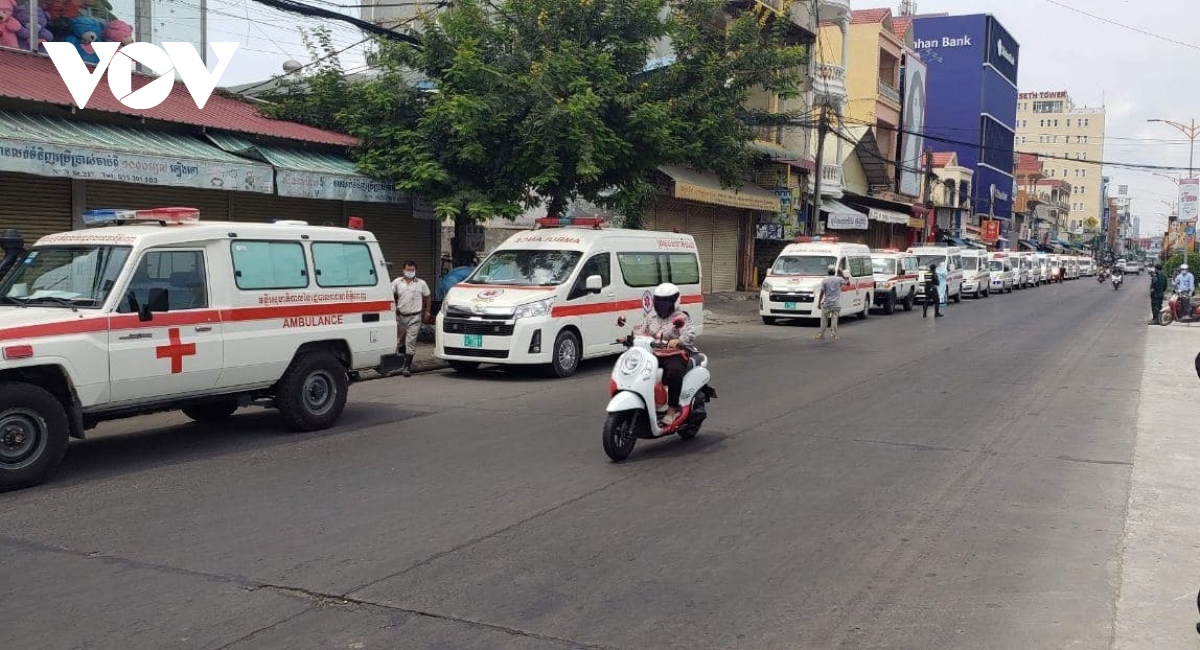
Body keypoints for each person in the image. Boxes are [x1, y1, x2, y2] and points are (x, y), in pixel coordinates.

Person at [634, 282, 697, 426]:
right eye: (659, 301)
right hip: (656, 353)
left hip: (676, 353)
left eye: (666, 301)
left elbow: (690, 333)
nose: (662, 304)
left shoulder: (681, 316)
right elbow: (643, 332)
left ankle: (672, 409)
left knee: (674, 372)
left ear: (674, 301)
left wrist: (678, 340)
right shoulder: (653, 319)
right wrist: (629, 337)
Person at [390, 261, 431, 377]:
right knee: (399, 342)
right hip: (400, 317)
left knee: (410, 342)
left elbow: (428, 297)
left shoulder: (421, 283)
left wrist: (427, 312)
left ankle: (407, 367)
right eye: (408, 270)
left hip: (414, 317)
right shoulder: (397, 282)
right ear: (403, 270)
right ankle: (401, 363)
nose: (410, 272)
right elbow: (390, 295)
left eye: (412, 270)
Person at [814, 265, 848, 340]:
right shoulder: (839, 279)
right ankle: (833, 334)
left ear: (828, 272)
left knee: (824, 320)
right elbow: (848, 283)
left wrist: (819, 303)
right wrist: (842, 274)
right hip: (836, 304)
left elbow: (822, 292)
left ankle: (822, 334)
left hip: (827, 303)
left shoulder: (825, 280)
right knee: (834, 319)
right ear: (834, 271)